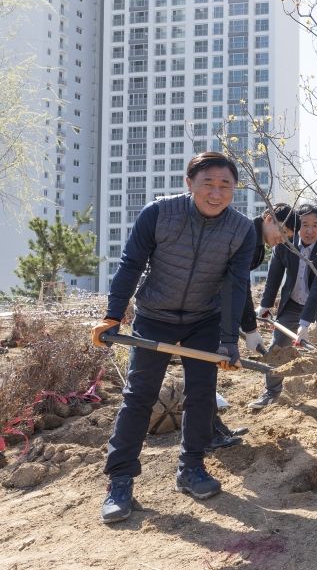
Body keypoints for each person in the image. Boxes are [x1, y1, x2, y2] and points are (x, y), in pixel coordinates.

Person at [91, 151, 255, 524]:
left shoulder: (241, 230)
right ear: (189, 184)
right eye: (207, 184)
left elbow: (235, 285)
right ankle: (119, 481)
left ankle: (191, 469)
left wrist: (229, 341)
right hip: (155, 315)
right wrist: (113, 316)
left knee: (202, 394)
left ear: (234, 189)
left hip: (205, 320)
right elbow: (131, 264)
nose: (216, 193)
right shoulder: (158, 214)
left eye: (225, 185)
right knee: (139, 395)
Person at [208, 203, 301, 450]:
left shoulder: (257, 244)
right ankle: (208, 432)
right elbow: (233, 285)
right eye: (282, 233)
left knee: (207, 373)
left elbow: (241, 287)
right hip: (205, 305)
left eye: (288, 238)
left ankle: (213, 426)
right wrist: (246, 329)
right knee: (204, 372)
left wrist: (250, 328)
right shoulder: (246, 233)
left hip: (215, 305)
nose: (282, 240)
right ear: (269, 219)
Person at [250, 203, 317, 414]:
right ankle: (271, 391)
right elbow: (274, 276)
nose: (310, 230)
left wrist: (304, 324)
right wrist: (264, 305)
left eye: (316, 225)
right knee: (278, 345)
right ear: (296, 226)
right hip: (293, 302)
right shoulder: (284, 241)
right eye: (305, 225)